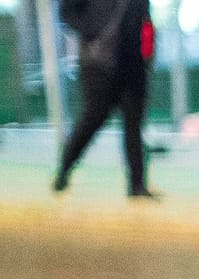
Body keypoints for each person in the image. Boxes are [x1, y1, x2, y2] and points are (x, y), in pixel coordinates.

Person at [52, 0, 156, 198]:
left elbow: (145, 21)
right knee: (92, 119)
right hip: (98, 65)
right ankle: (64, 169)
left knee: (134, 126)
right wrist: (93, 31)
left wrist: (148, 56)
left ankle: (137, 186)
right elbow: (66, 12)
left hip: (134, 65)